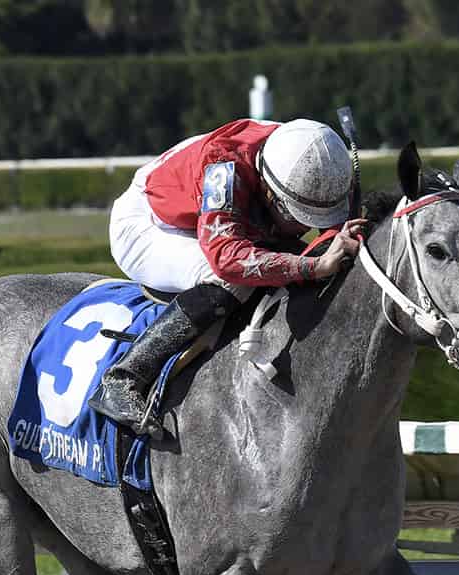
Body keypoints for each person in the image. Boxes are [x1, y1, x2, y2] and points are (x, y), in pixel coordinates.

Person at [89, 118, 366, 435]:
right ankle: (124, 377)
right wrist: (311, 266)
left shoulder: (320, 159)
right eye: (297, 216)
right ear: (269, 191)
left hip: (210, 203)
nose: (305, 227)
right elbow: (226, 258)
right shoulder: (224, 167)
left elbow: (335, 232)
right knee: (235, 279)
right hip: (150, 222)